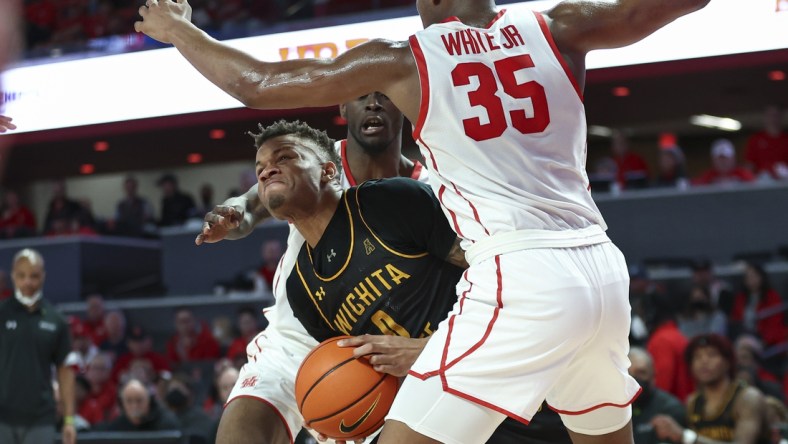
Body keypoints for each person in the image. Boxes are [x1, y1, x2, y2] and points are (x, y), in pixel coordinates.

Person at [136, 0, 711, 441]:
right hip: (602, 270)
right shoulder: (558, 25)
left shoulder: (407, 61)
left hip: (520, 276)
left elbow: (256, 84)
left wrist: (178, 30)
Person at [0, 248, 76, 444]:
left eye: (34, 276)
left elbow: (66, 370)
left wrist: (69, 420)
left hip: (40, 419)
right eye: (22, 275)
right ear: (13, 276)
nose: (28, 282)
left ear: (43, 276)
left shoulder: (56, 320)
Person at [651, 334, 772, 444]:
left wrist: (686, 437)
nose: (704, 361)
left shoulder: (748, 398)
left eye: (712, 354)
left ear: (727, 362)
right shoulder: (692, 402)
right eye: (697, 357)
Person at [627, 347, 686, 444]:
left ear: (653, 376)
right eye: (629, 373)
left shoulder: (670, 408)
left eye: (641, 373)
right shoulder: (616, 408)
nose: (634, 379)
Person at [96, 378, 180, 432]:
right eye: (129, 401)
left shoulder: (167, 423)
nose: (134, 406)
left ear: (149, 401)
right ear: (122, 404)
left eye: (139, 400)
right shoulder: (117, 426)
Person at [744, 105, 788, 181]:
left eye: (776, 115)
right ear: (765, 117)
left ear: (781, 117)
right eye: (770, 115)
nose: (773, 119)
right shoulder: (756, 140)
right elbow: (749, 165)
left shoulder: (786, 139)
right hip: (762, 181)